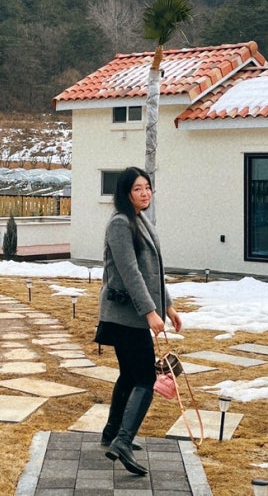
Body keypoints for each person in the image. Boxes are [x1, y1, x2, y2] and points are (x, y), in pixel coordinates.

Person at [94, 166, 182, 475]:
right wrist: (150, 312)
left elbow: (151, 271)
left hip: (132, 315)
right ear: (125, 193)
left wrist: (167, 306)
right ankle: (122, 441)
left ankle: (111, 433)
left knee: (129, 376)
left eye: (147, 187)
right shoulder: (120, 223)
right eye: (137, 188)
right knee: (144, 378)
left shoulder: (139, 219)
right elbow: (130, 273)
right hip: (123, 315)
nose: (145, 193)